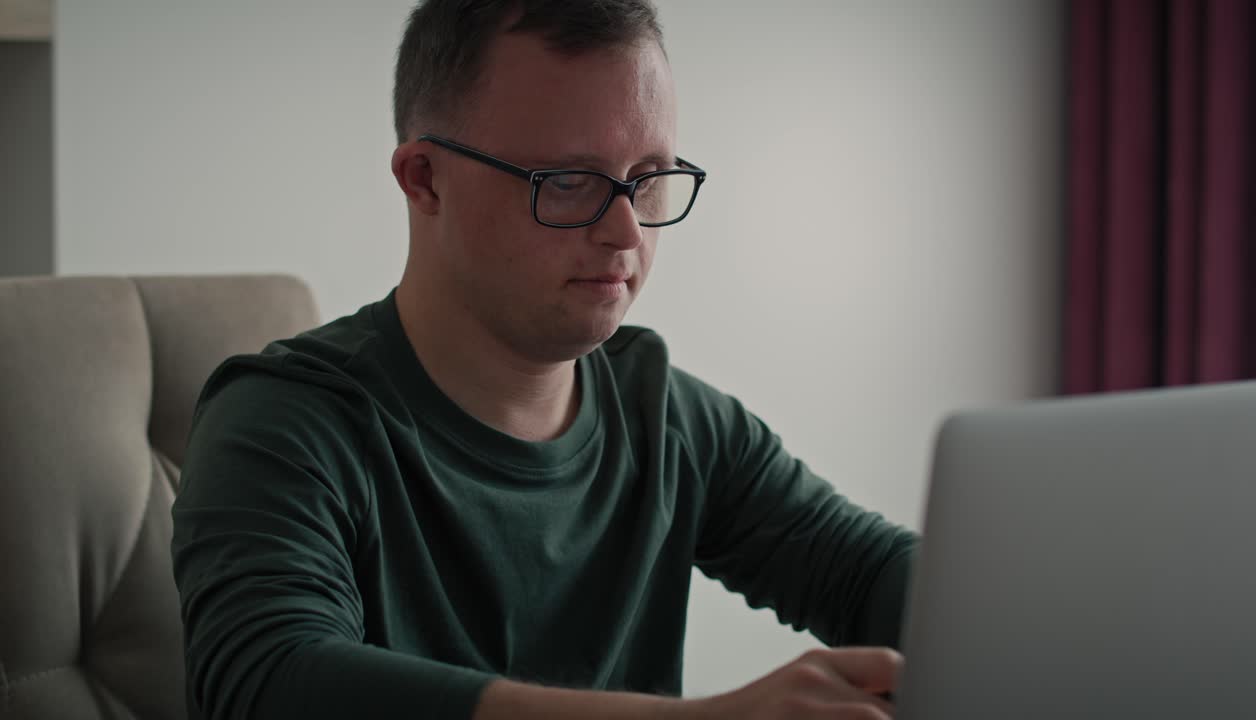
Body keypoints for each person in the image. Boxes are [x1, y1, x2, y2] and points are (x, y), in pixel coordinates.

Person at [170, 1, 919, 719]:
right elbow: (267, 681)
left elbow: (870, 576)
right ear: (425, 179)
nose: (626, 232)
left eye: (648, 179)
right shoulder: (282, 420)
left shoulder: (669, 419)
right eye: (568, 182)